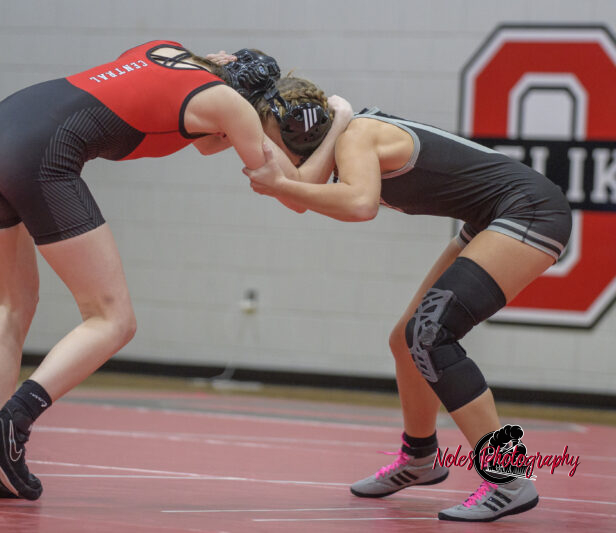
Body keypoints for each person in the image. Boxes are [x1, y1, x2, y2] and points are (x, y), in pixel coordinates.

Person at [0, 41, 350, 500]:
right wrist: (339, 117)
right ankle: (10, 425)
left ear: (223, 59)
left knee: (14, 301)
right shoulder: (230, 105)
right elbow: (294, 192)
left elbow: (186, 128)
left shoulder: (164, 49)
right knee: (113, 319)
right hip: (38, 154)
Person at [244, 75, 572, 522]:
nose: (265, 151)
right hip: (496, 215)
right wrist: (293, 171)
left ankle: (508, 477)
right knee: (407, 339)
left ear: (298, 134)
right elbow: (302, 193)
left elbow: (358, 205)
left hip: (530, 211)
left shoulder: (357, 136)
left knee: (431, 334)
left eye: (267, 141)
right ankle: (420, 458)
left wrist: (281, 182)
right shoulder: (344, 134)